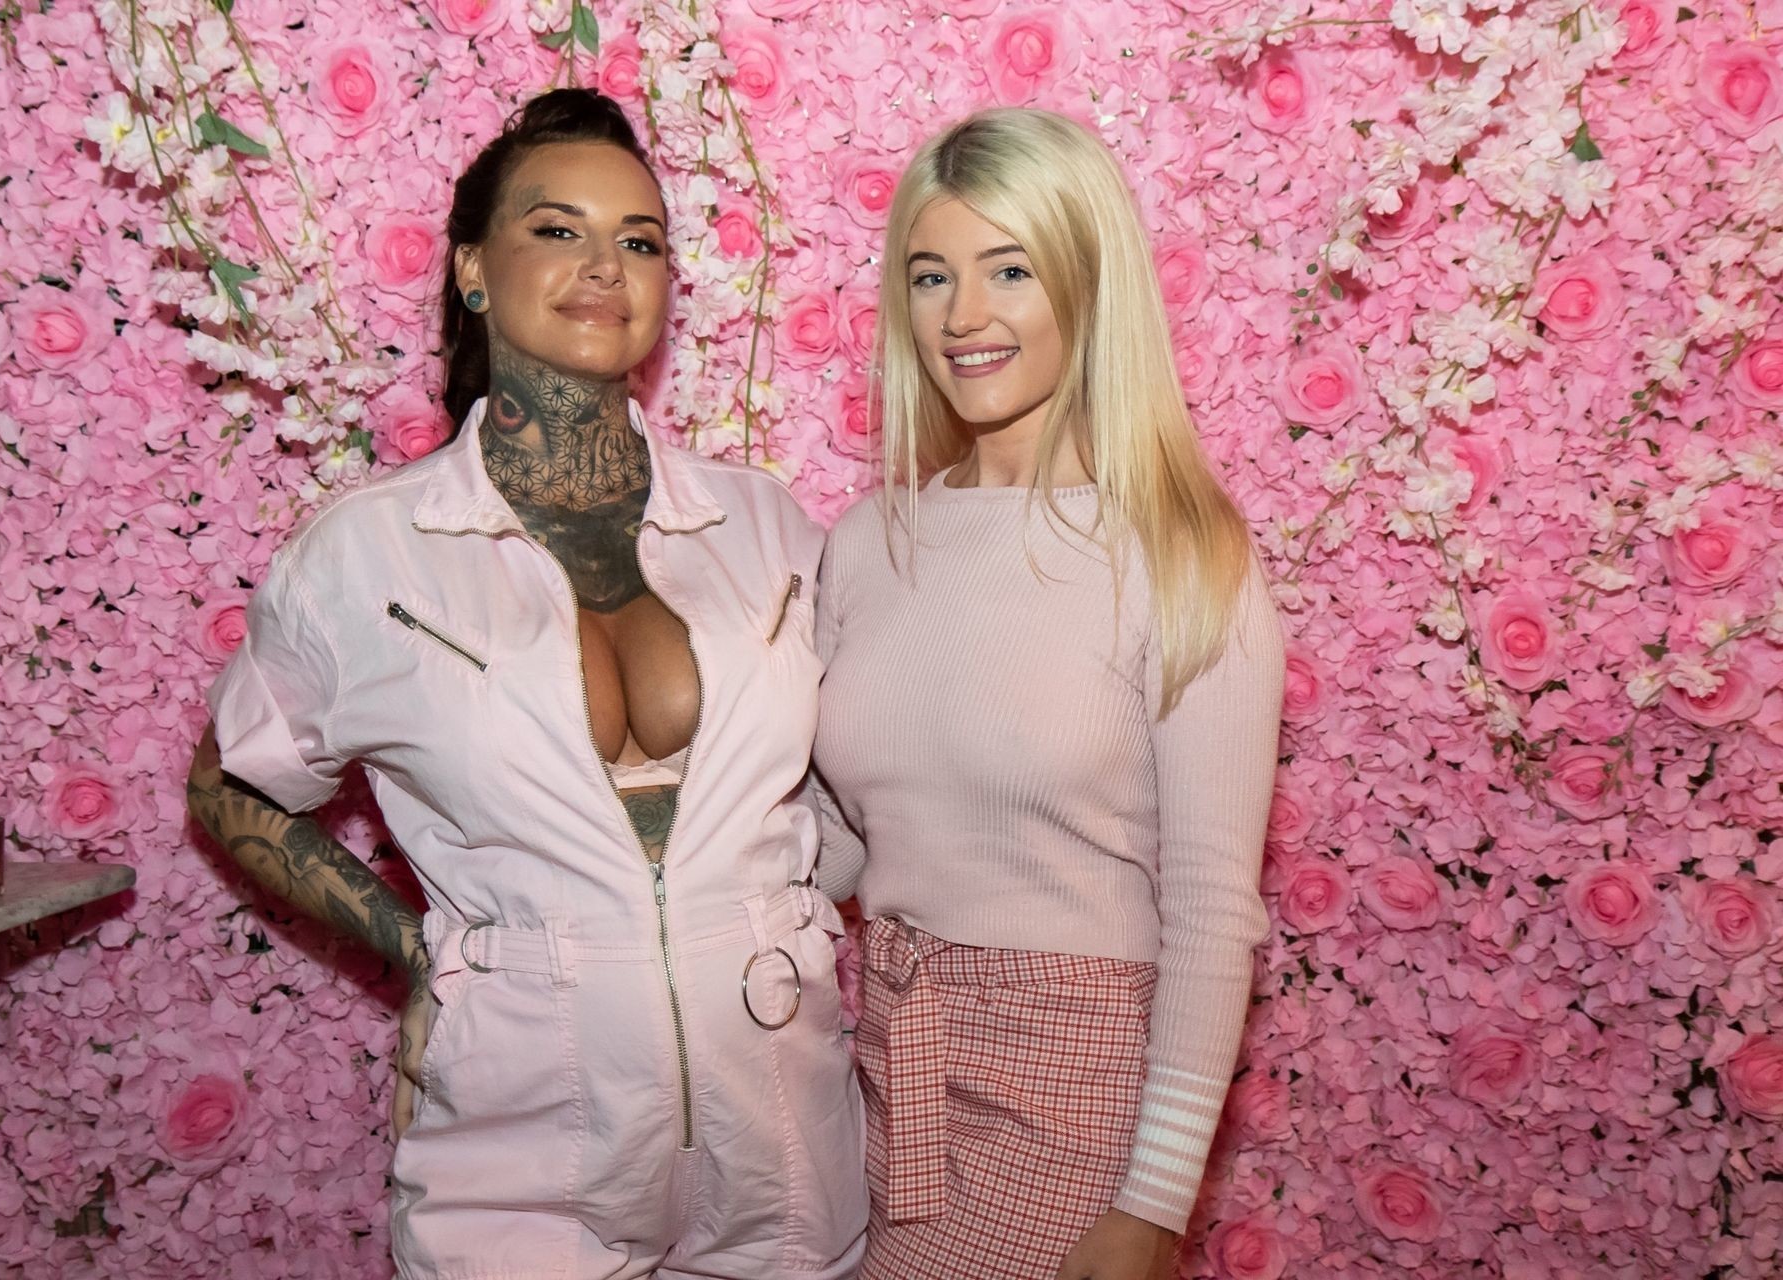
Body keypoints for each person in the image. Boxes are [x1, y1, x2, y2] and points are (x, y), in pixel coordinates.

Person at [185, 89, 865, 1280]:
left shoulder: (767, 527)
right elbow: (231, 783)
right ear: (472, 270)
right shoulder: (366, 556)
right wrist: (420, 951)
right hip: (519, 1138)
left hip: (786, 1133)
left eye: (640, 240)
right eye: (558, 229)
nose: (605, 266)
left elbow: (864, 775)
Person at [808, 107, 1285, 1280]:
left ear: (1088, 278)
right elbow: (840, 840)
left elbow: (1211, 907)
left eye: (1009, 269)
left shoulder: (1184, 556)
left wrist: (1154, 1203)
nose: (962, 314)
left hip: (1079, 1096)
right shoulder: (867, 543)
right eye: (932, 275)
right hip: (887, 1064)